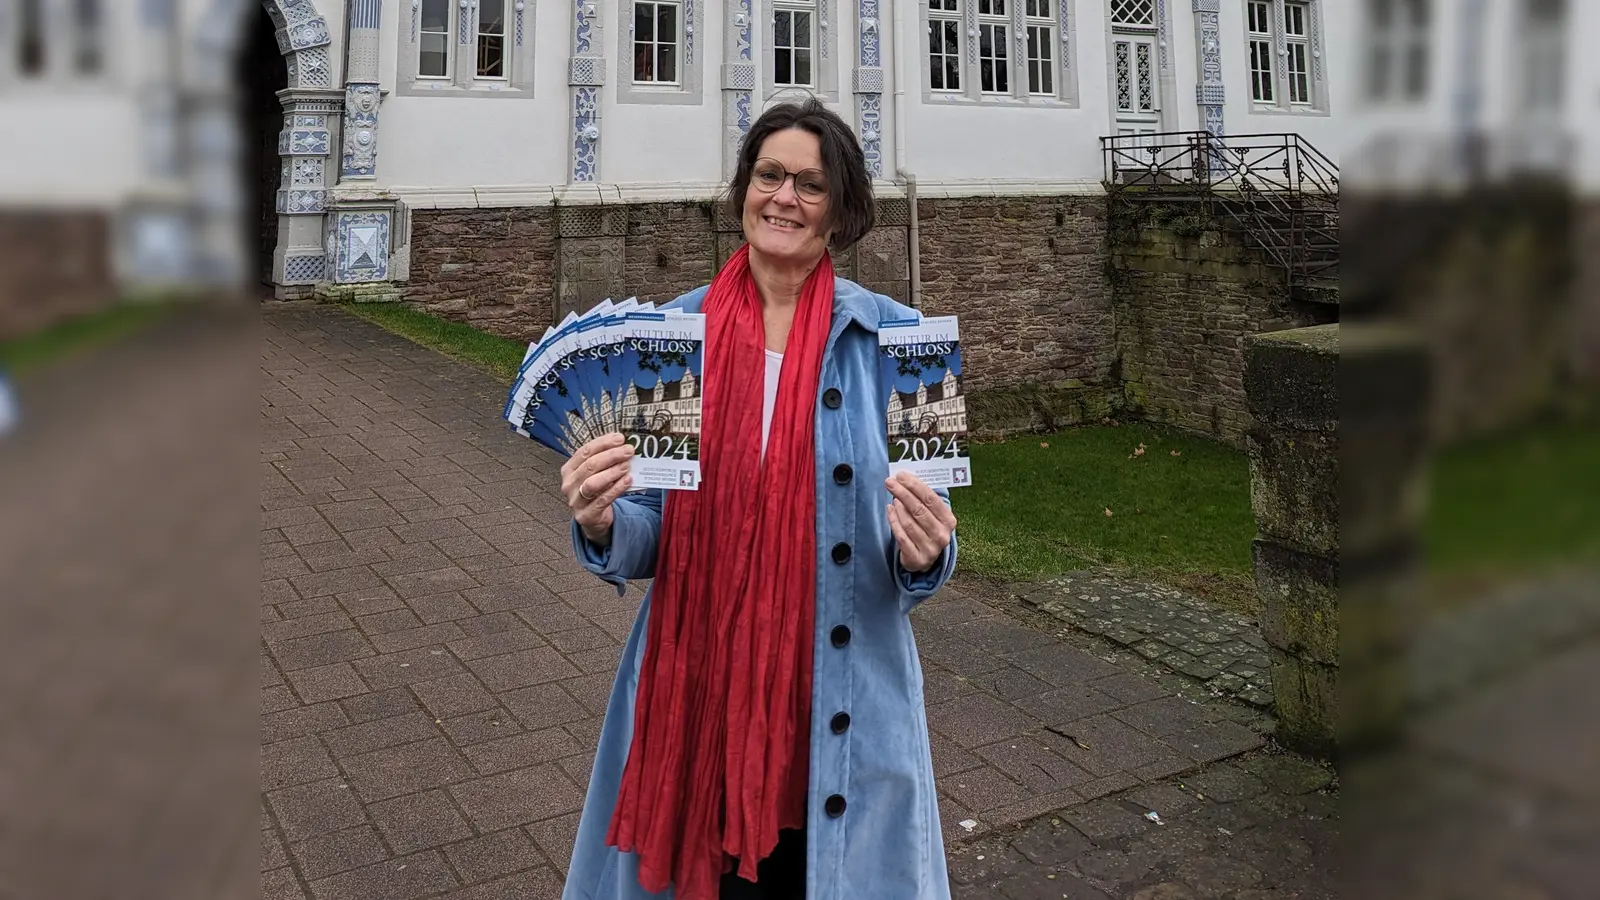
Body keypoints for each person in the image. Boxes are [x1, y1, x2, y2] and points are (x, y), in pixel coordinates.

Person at [558, 97, 959, 900]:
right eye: (769, 175)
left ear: (842, 212)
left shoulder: (908, 346)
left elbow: (931, 527)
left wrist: (930, 551)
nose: (784, 198)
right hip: (697, 685)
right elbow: (650, 533)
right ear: (743, 188)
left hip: (837, 691)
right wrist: (602, 519)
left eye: (810, 185)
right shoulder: (675, 336)